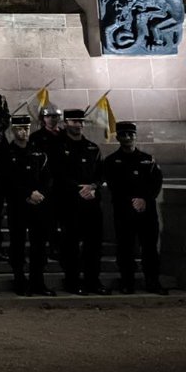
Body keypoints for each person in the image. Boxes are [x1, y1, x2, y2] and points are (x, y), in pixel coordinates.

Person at [104, 121, 167, 295]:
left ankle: (152, 282)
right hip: (124, 212)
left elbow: (156, 182)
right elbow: (114, 185)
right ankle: (127, 283)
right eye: (123, 134)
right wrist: (132, 200)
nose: (128, 138)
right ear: (118, 137)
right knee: (125, 249)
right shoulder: (111, 161)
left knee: (150, 249)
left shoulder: (148, 159)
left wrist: (144, 199)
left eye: (131, 134)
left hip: (147, 212)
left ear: (135, 136)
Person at [50, 109, 107, 296]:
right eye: (74, 121)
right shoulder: (57, 146)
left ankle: (93, 281)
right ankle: (72, 281)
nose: (79, 125)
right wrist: (78, 189)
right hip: (68, 204)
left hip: (91, 203)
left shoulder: (92, 148)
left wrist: (93, 186)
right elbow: (56, 174)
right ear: (66, 123)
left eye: (81, 121)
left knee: (93, 245)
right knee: (71, 246)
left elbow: (100, 174)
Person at [0, 116, 55, 296]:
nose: (24, 131)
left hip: (39, 205)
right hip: (19, 205)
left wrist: (41, 193)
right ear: (13, 130)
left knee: (39, 245)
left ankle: (38, 281)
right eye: (20, 128)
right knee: (18, 244)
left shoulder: (39, 152)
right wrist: (27, 194)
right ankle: (19, 280)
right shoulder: (7, 153)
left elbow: (47, 177)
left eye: (27, 128)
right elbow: (8, 180)